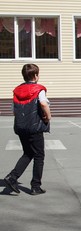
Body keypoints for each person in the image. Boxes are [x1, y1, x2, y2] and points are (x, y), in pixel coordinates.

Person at [4, 64, 51, 195]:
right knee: (39, 156)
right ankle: (35, 186)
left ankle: (12, 177)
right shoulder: (38, 89)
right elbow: (43, 103)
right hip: (34, 127)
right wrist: (48, 116)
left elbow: (14, 110)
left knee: (28, 153)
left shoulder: (17, 90)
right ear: (35, 76)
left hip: (21, 127)